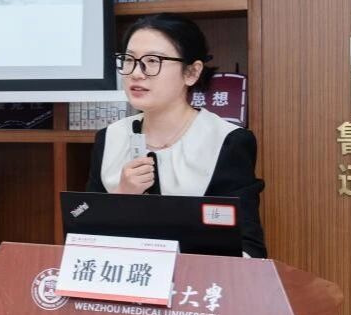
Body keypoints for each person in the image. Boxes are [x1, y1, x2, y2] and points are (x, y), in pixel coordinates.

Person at [85, 13, 267, 258]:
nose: (136, 73)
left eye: (153, 61)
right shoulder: (110, 138)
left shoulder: (226, 141)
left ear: (191, 72)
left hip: (196, 279)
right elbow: (83, 235)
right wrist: (121, 198)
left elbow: (249, 248)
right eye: (128, 60)